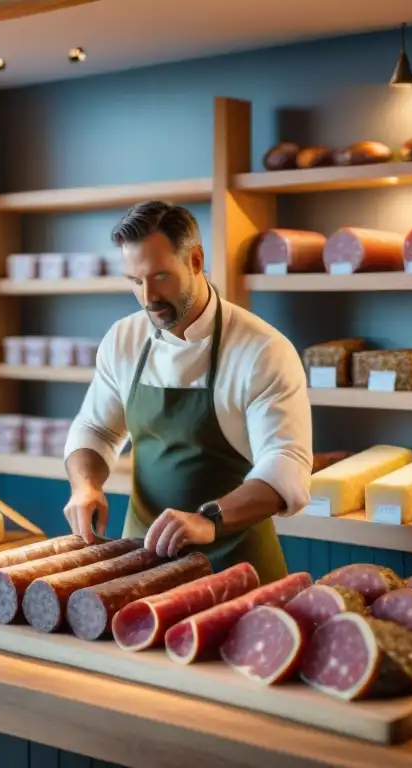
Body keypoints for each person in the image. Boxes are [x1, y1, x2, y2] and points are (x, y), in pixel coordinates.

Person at [61, 200, 312, 583]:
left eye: (160, 276)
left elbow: (285, 467)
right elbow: (96, 430)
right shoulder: (123, 338)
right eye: (134, 281)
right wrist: (86, 486)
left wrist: (208, 519)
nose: (148, 297)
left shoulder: (261, 349)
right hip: (141, 561)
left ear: (196, 260)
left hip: (235, 568)